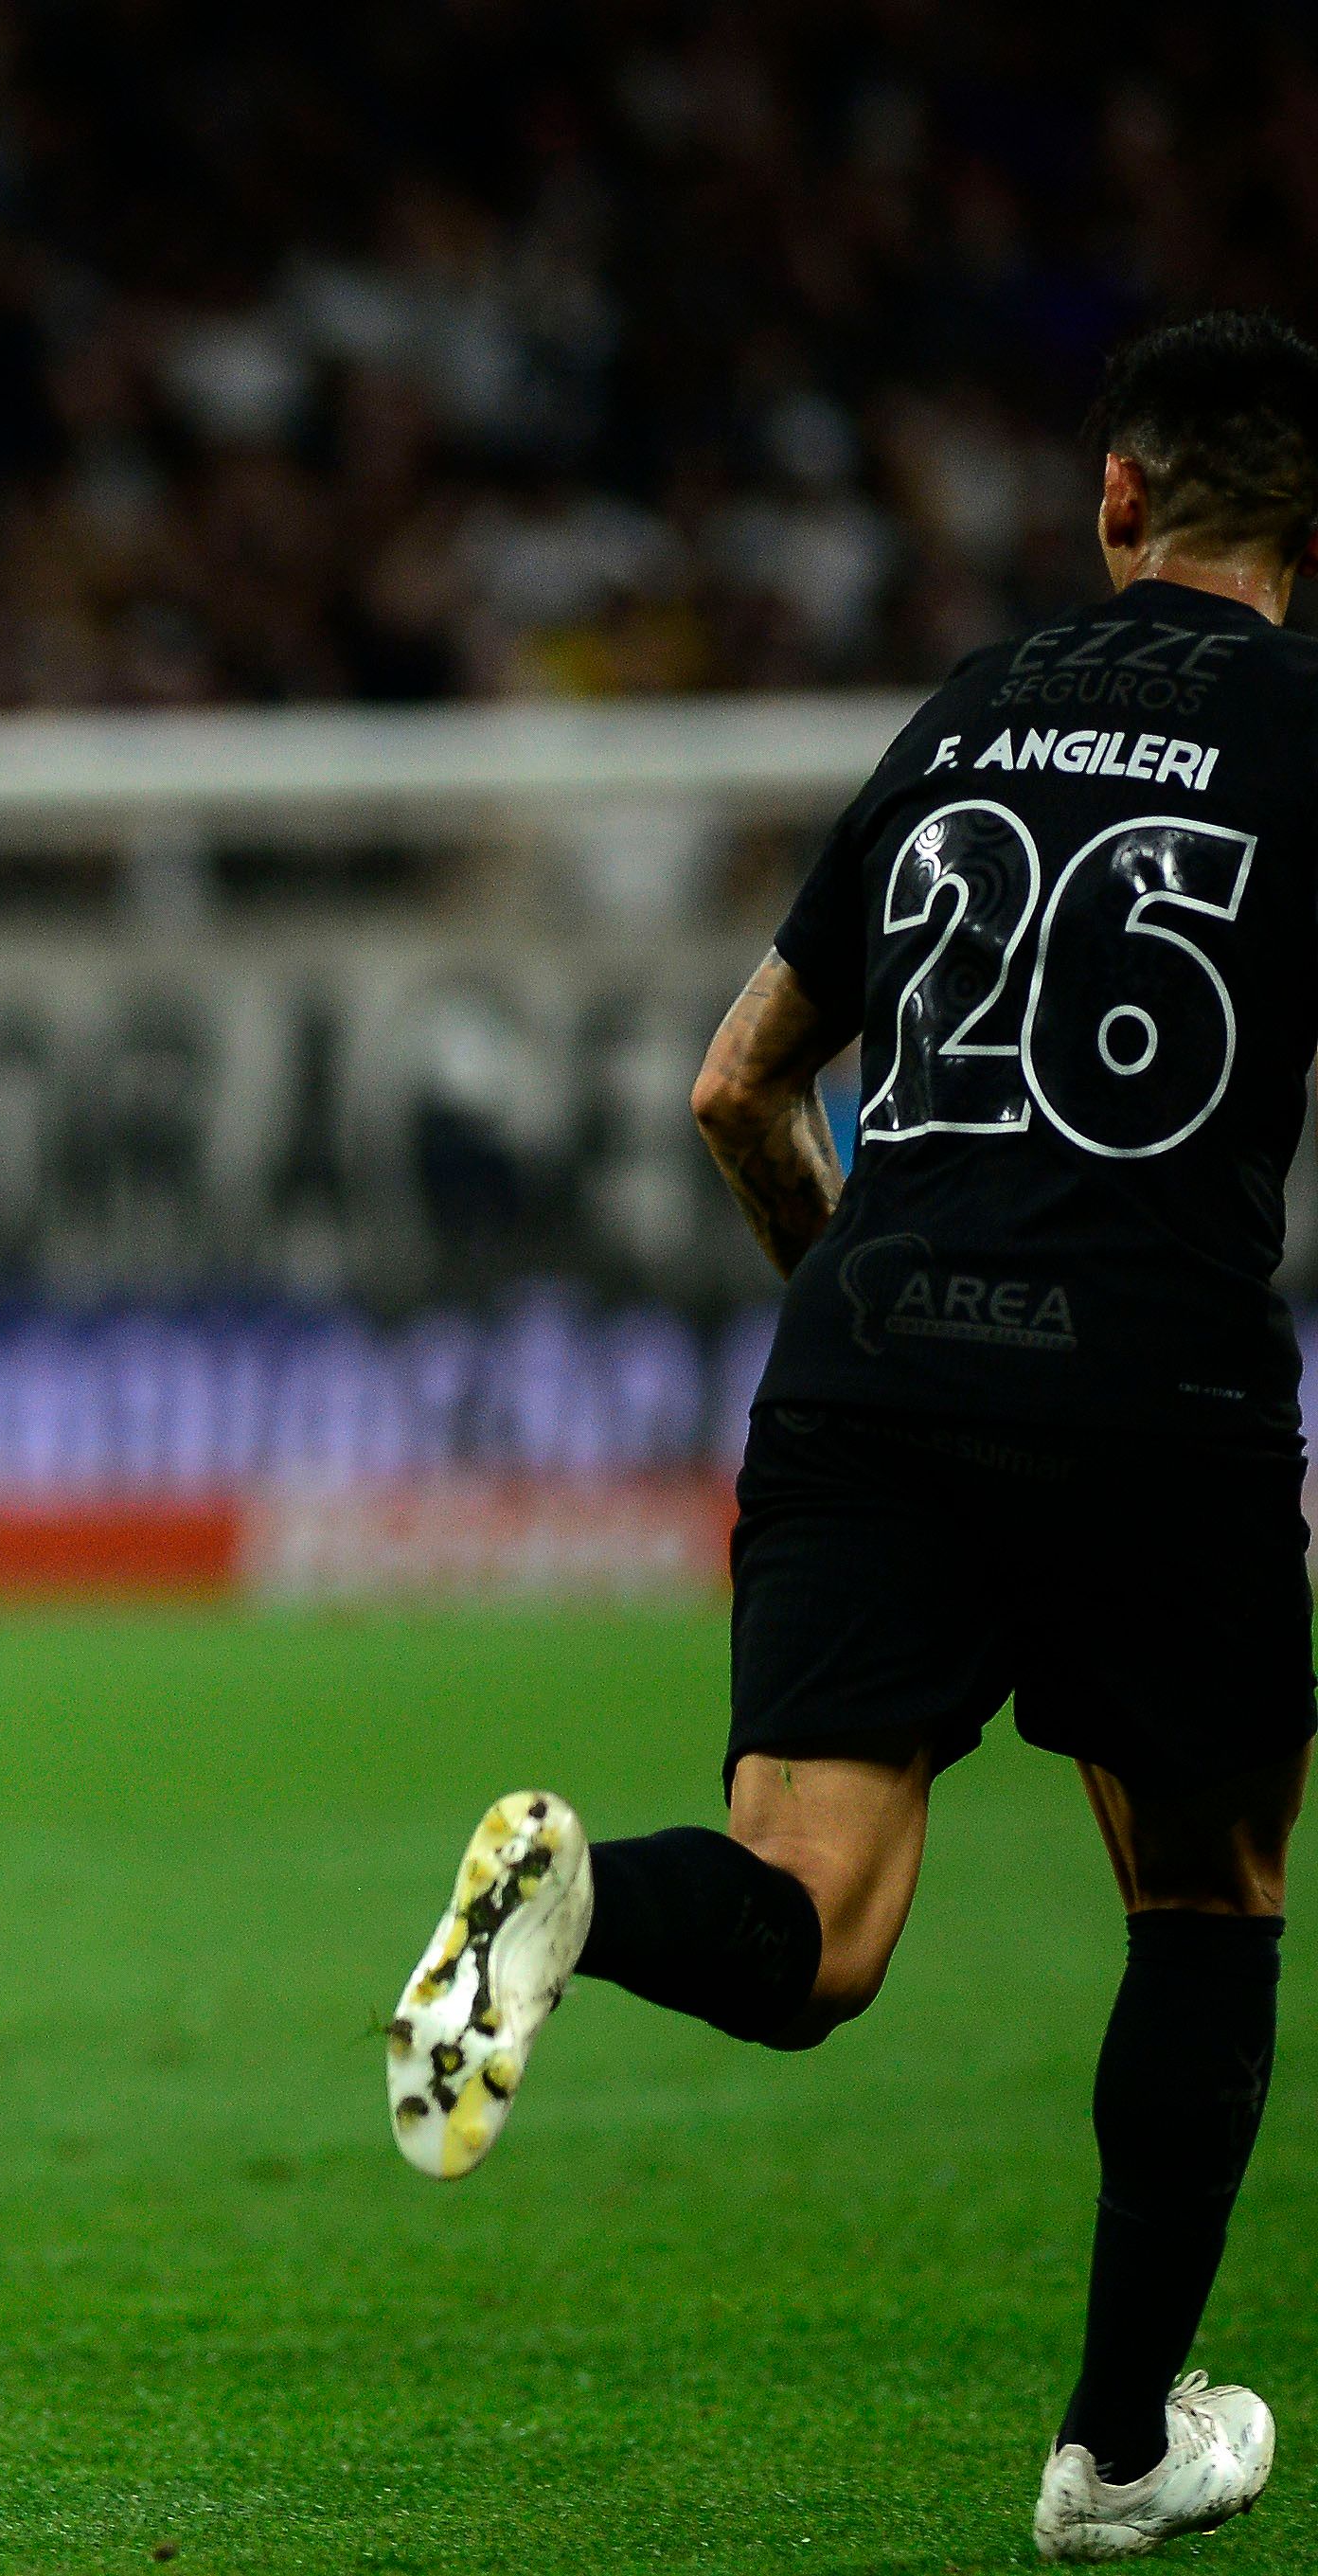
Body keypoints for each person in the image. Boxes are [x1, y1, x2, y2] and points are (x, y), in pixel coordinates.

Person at [384, 312, 1318, 2564]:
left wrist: (864, 1321)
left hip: (871, 1348)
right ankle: (1107, 2452)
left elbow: (731, 1083)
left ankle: (579, 1892)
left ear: (1112, 500)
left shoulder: (966, 705)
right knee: (1201, 1900)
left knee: (804, 1927)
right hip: (1153, 1380)